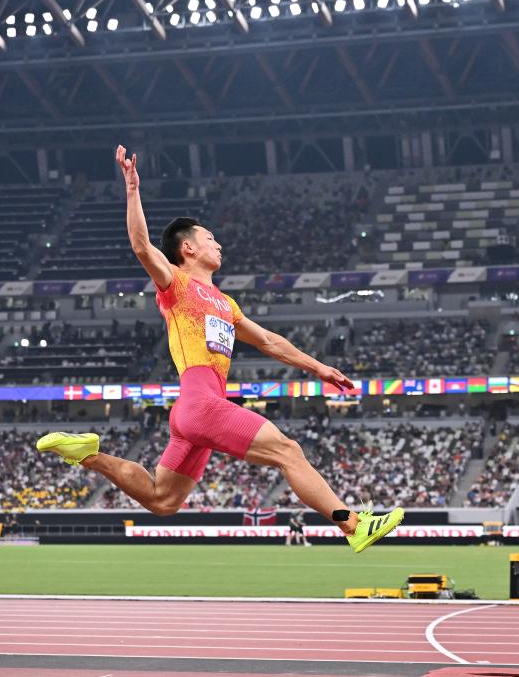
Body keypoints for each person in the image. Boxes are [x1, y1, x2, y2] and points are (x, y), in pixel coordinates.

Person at [37, 145, 403, 553]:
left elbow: (267, 340)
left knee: (162, 499)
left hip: (195, 411)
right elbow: (142, 247)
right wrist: (133, 188)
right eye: (210, 238)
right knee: (288, 450)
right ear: (188, 249)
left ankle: (86, 455)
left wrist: (318, 367)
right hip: (201, 403)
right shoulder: (175, 284)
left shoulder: (226, 304)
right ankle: (353, 525)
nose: (219, 244)